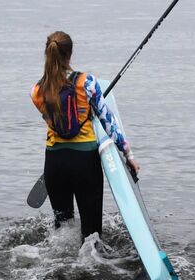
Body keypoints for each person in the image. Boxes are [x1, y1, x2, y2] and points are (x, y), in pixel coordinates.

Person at [32, 31, 140, 239]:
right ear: (70, 54)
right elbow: (109, 124)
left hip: (54, 163)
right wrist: (129, 156)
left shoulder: (37, 90)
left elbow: (57, 120)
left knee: (62, 231)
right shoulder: (87, 83)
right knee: (91, 234)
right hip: (84, 163)